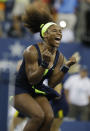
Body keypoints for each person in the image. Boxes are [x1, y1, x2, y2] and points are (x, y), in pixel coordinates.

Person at [13, 3, 76, 131]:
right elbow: (32, 80)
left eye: (60, 31)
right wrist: (44, 64)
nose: (59, 33)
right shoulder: (32, 51)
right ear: (45, 35)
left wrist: (65, 68)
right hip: (22, 91)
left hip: (37, 91)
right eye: (55, 31)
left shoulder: (59, 57)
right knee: (38, 116)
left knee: (49, 117)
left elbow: (52, 83)